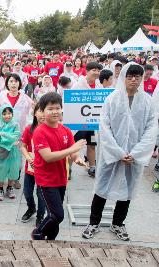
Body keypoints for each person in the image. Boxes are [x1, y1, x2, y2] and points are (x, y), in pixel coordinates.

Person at [82, 63, 157, 241]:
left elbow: (151, 128)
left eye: (137, 77)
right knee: (102, 188)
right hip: (111, 154)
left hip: (133, 156)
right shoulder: (112, 99)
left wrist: (136, 153)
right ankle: (93, 223)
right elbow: (104, 127)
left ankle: (118, 223)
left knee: (127, 190)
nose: (133, 80)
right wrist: (117, 152)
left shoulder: (147, 101)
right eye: (130, 76)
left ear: (141, 79)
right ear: (123, 77)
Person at [31, 92, 87, 240]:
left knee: (54, 216)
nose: (55, 111)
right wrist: (72, 150)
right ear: (42, 111)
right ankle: (38, 233)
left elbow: (72, 153)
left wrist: (77, 158)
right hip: (46, 180)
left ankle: (51, 240)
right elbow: (48, 157)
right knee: (57, 214)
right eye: (50, 108)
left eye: (58, 108)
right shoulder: (39, 132)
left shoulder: (66, 130)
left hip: (61, 179)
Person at [72, 62, 103, 178]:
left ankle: (93, 167)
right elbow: (70, 103)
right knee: (74, 146)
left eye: (98, 70)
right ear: (87, 71)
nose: (96, 72)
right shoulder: (77, 85)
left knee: (92, 145)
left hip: (93, 124)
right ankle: (68, 168)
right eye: (94, 70)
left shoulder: (99, 86)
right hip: (79, 123)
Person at [20, 102, 46, 227]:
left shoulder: (50, 129)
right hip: (30, 167)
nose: (42, 114)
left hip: (45, 169)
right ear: (35, 113)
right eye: (39, 110)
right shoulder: (28, 129)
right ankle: (31, 208)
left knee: (41, 194)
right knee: (27, 191)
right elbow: (23, 146)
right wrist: (28, 157)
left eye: (44, 111)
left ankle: (41, 215)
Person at [0, 105, 22, 201]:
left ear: (12, 114)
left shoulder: (15, 124)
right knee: (2, 170)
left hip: (13, 152)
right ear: (1, 115)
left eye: (9, 113)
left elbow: (16, 136)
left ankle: (10, 187)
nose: (7, 116)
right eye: (4, 113)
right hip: (3, 151)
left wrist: (3, 134)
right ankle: (0, 189)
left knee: (13, 169)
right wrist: (9, 140)